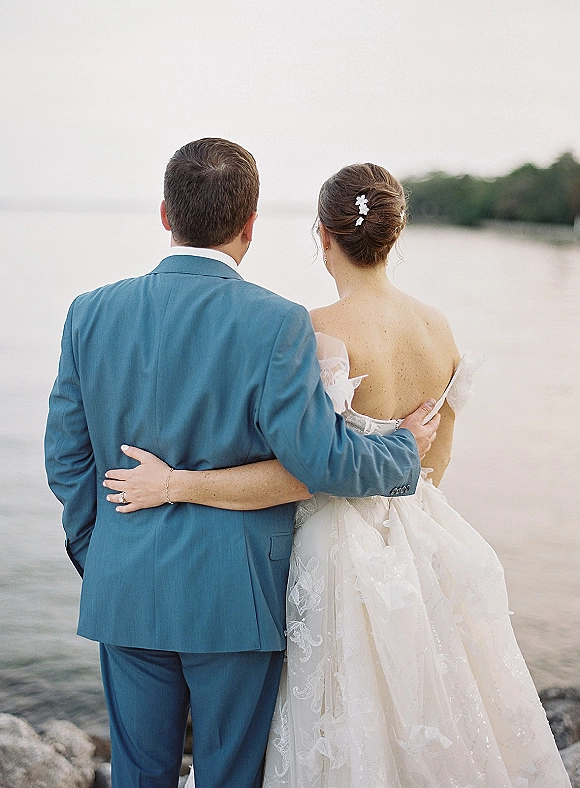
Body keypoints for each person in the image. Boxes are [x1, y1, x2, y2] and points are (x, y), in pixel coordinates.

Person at [104, 163, 572, 787]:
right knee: (425, 712)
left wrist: (175, 485)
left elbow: (305, 474)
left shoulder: (314, 329)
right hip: (419, 542)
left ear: (323, 236)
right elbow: (434, 465)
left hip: (332, 551)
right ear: (393, 236)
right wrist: (400, 494)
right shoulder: (438, 328)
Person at [44, 140, 440, 788]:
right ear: (251, 226)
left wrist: (103, 551)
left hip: (125, 587)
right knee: (230, 777)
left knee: (138, 774)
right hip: (233, 599)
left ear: (166, 214)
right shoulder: (276, 323)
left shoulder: (89, 313)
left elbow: (66, 461)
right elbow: (319, 459)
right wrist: (402, 450)